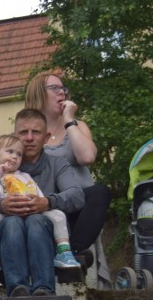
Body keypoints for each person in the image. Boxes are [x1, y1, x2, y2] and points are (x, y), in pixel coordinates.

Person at [0, 109, 85, 297]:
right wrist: (0, 205)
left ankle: (44, 289)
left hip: (44, 236)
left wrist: (47, 202)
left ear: (47, 137)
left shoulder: (57, 164)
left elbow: (76, 195)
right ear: (14, 135)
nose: (29, 138)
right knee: (12, 222)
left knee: (36, 221)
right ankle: (18, 289)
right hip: (8, 239)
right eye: (23, 132)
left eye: (36, 132)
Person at [25, 72, 112, 276]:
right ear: (38, 94)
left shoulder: (77, 125)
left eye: (63, 88)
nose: (61, 92)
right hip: (47, 206)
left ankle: (72, 252)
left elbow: (87, 157)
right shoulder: (29, 133)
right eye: (54, 88)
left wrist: (69, 120)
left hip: (78, 207)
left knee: (100, 193)